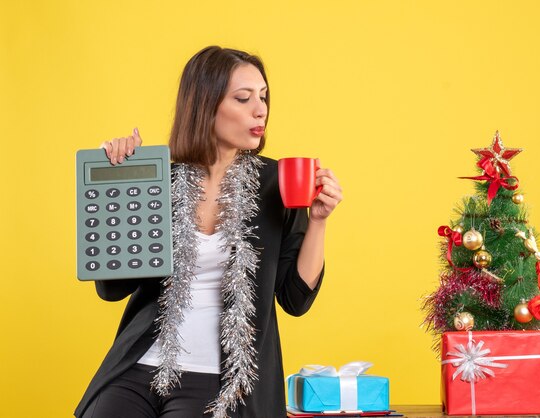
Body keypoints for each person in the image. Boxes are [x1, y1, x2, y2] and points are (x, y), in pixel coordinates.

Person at [75, 46, 343, 418]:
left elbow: (295, 299)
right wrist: (118, 182)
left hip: (220, 380)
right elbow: (111, 287)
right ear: (205, 105)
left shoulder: (277, 181)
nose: (260, 109)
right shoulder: (159, 178)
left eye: (263, 97)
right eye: (243, 98)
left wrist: (318, 220)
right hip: (139, 369)